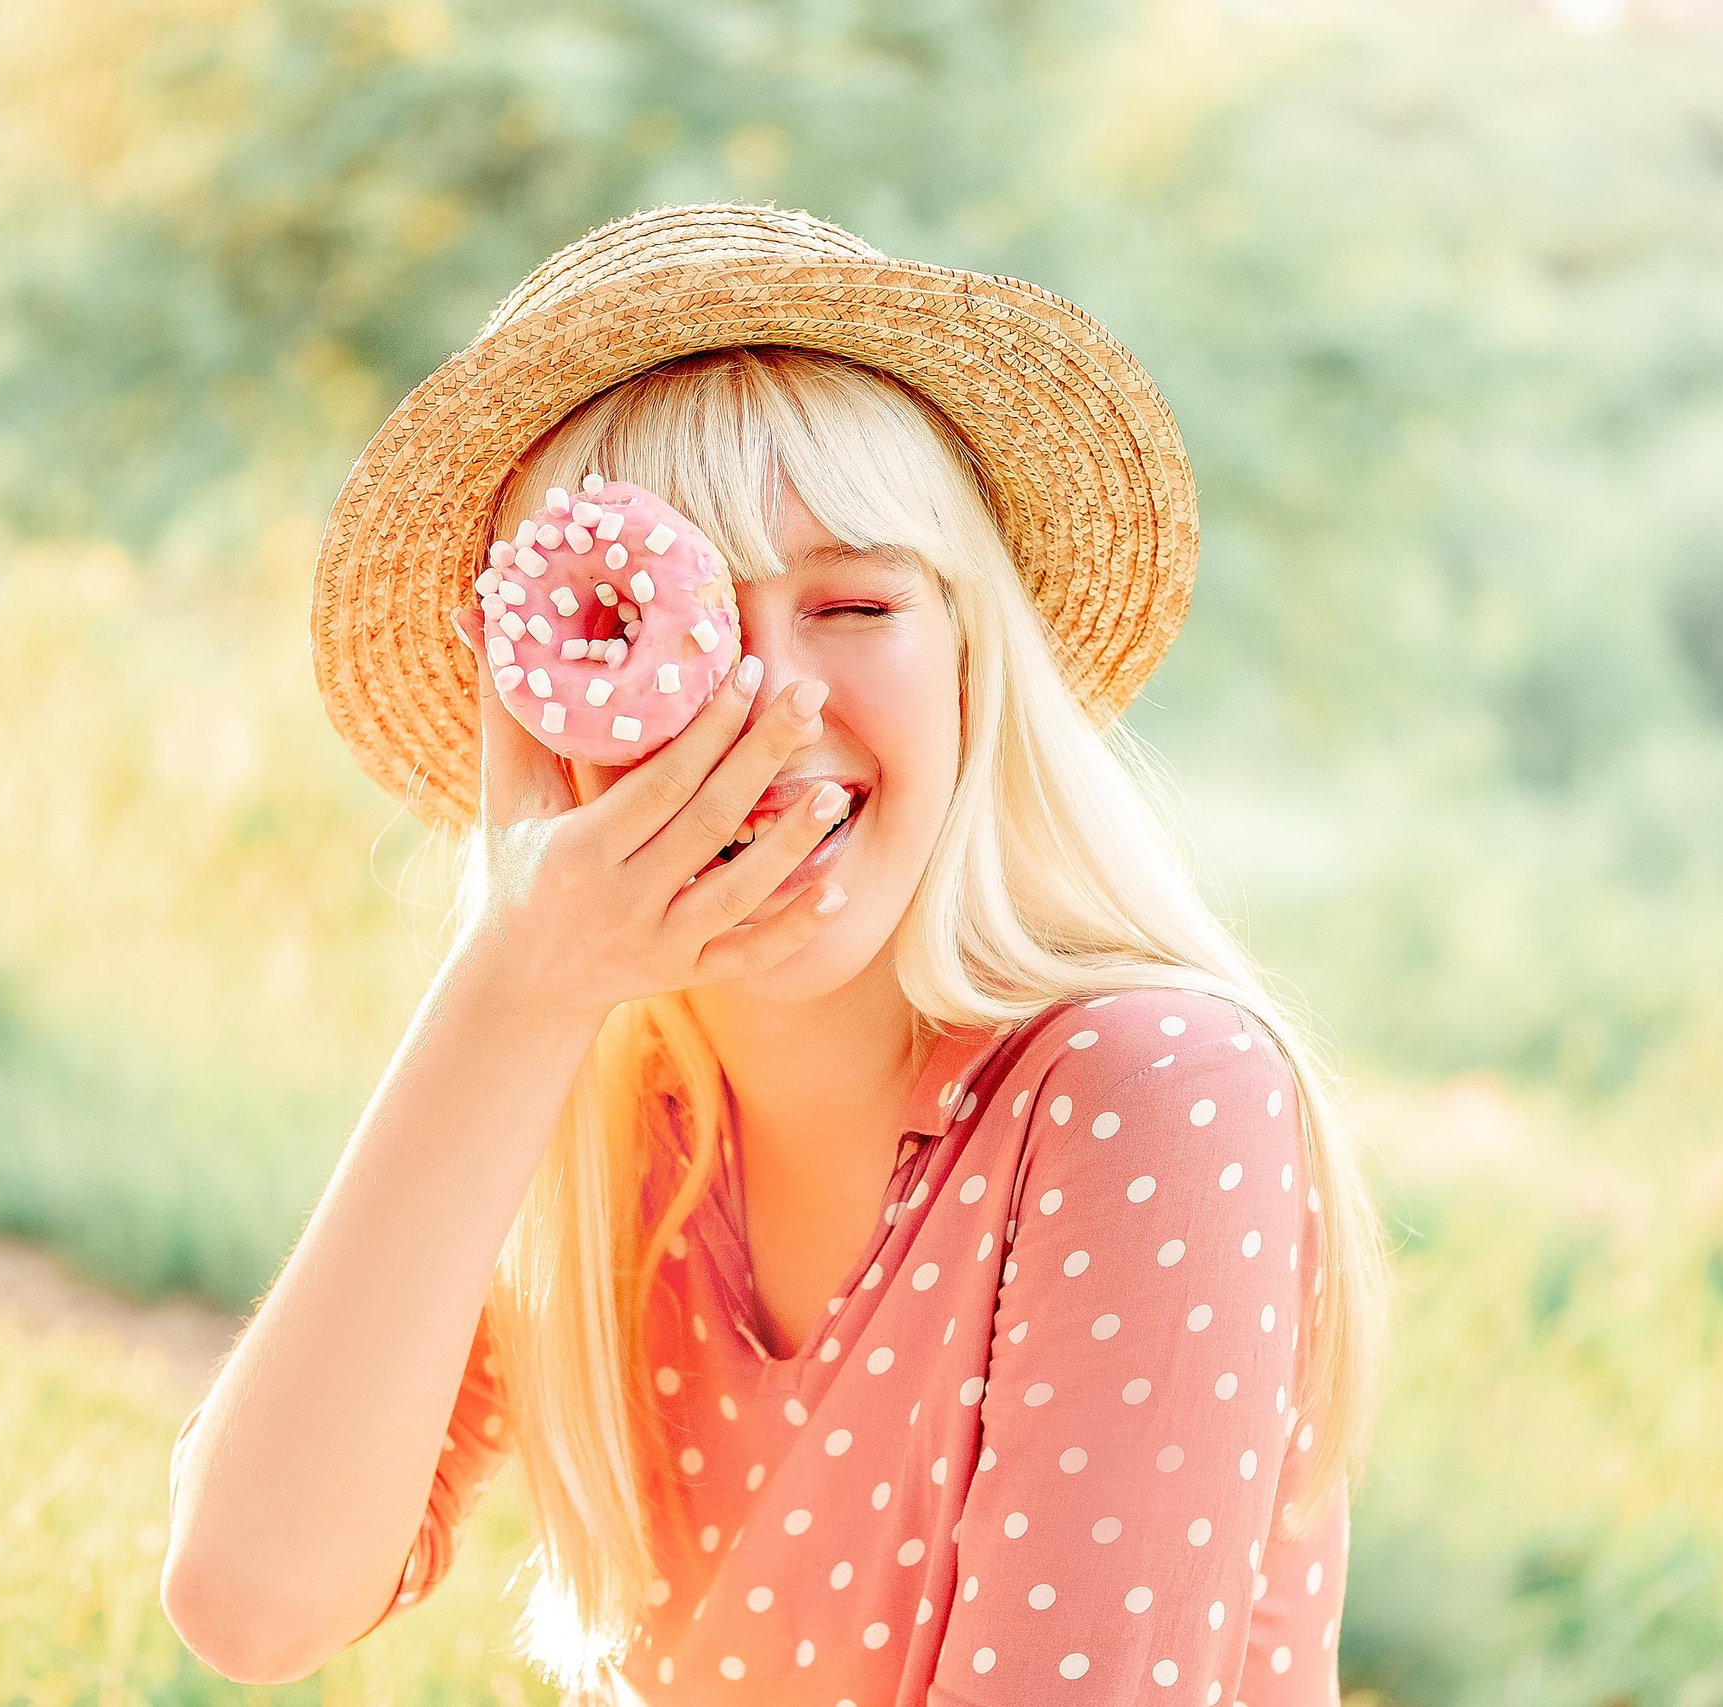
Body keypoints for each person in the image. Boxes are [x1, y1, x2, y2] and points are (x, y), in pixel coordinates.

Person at [160, 204, 1390, 1706]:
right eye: (647, 631)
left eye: (856, 604)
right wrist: (515, 979)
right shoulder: (610, 1121)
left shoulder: (1149, 1095)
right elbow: (254, 1603)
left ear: (970, 663)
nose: (767, 705)